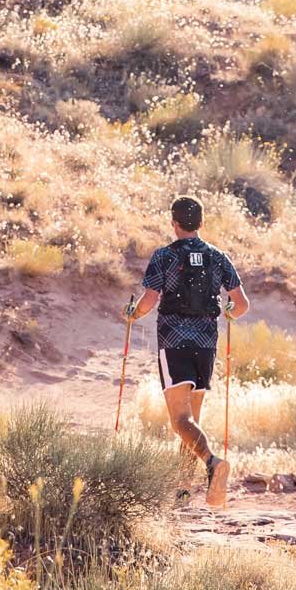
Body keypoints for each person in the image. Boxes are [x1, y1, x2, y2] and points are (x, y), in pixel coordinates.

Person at [126, 195, 249, 507]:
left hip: (174, 343)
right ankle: (181, 492)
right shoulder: (218, 257)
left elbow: (150, 301)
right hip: (206, 345)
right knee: (191, 420)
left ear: (174, 223)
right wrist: (231, 313)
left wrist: (132, 313)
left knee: (180, 420)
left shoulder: (164, 256)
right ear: (201, 223)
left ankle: (212, 463)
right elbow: (242, 304)